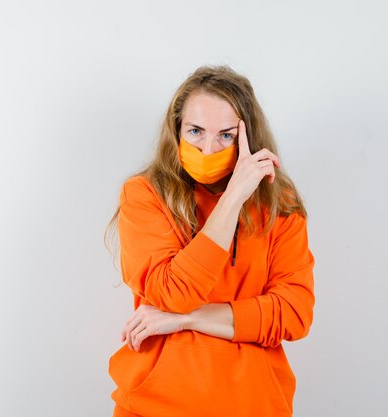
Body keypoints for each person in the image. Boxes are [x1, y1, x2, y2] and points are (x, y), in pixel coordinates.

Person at [105, 65, 315, 417]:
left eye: (226, 135)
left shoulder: (279, 201)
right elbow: (173, 292)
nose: (207, 148)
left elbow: (294, 313)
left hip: (255, 405)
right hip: (155, 406)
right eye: (196, 131)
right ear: (177, 131)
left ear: (248, 136)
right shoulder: (144, 194)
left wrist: (186, 319)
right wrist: (233, 199)